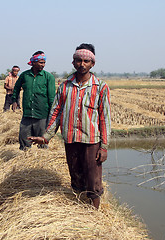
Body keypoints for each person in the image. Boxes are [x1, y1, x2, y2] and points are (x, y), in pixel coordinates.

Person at [28, 43, 111, 209]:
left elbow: (104, 118)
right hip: (71, 138)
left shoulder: (100, 87)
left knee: (92, 178)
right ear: (73, 62)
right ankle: (79, 207)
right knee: (75, 175)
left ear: (92, 64)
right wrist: (46, 137)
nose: (82, 64)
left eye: (86, 61)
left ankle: (94, 212)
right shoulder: (65, 86)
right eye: (78, 60)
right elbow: (56, 112)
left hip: (91, 140)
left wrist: (104, 147)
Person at [11, 51, 55, 150]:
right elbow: (17, 87)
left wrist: (52, 115)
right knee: (24, 139)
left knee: (42, 141)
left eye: (44, 62)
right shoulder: (25, 75)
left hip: (42, 115)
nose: (43, 65)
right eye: (41, 62)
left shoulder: (48, 77)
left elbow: (52, 97)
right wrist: (14, 100)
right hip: (27, 114)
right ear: (34, 62)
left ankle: (41, 160)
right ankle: (24, 157)